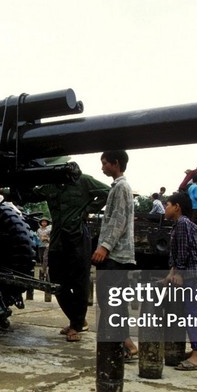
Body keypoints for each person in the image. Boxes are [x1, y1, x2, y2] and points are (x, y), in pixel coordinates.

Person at [32, 163, 110, 342]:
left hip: (78, 239)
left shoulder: (83, 181)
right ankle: (78, 320)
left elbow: (107, 192)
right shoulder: (50, 186)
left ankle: (75, 326)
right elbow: (29, 195)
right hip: (58, 241)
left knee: (80, 283)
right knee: (57, 284)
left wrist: (88, 209)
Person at [92, 150, 138, 358]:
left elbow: (117, 220)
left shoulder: (121, 188)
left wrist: (105, 246)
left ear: (116, 163)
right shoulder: (120, 187)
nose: (102, 167)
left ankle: (118, 345)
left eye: (105, 163)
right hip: (118, 256)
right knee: (114, 302)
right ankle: (126, 343)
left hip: (115, 256)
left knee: (110, 303)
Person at [163, 191, 197, 371]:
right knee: (191, 312)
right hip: (193, 274)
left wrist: (179, 273)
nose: (165, 208)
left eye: (167, 204)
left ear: (177, 207)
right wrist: (171, 272)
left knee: (194, 314)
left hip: (195, 275)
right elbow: (176, 254)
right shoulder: (179, 225)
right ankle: (196, 350)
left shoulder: (182, 224)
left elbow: (183, 253)